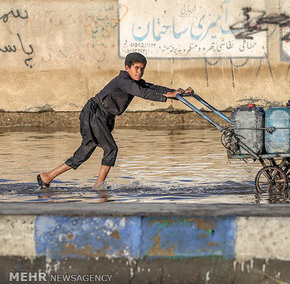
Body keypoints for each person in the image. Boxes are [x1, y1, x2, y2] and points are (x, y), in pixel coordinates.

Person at [37, 52, 193, 190]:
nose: (139, 71)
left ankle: (47, 177)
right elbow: (142, 93)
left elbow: (152, 87)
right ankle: (99, 185)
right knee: (111, 149)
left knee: (84, 153)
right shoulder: (123, 81)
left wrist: (179, 93)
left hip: (102, 117)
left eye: (142, 68)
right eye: (136, 68)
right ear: (127, 68)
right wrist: (171, 94)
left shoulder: (134, 81)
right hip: (95, 114)